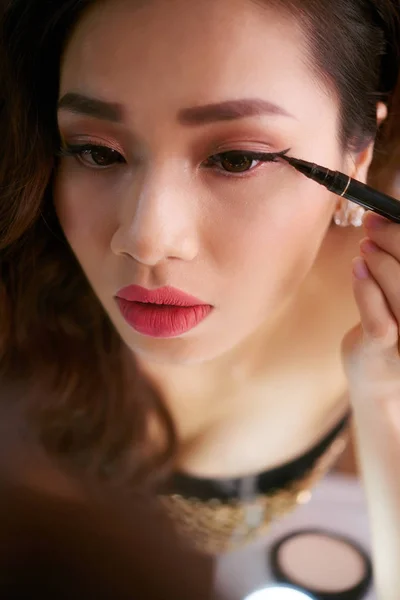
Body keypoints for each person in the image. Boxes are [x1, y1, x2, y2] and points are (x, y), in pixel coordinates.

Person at [1, 0, 400, 596]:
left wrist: (385, 398)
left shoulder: (378, 314)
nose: (146, 239)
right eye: (95, 151)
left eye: (235, 159)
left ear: (357, 154)